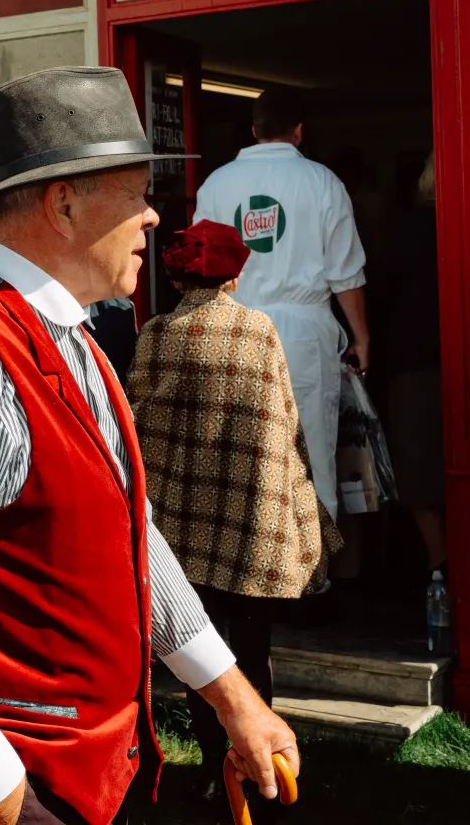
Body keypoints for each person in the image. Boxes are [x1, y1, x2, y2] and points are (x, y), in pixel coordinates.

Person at [0, 67, 297, 825]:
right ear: (64, 203)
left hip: (76, 777)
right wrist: (6, 800)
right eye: (138, 193)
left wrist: (231, 692)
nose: (153, 218)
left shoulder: (71, 332)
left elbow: (123, 531)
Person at [127, 220, 335, 800]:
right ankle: (261, 762)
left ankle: (216, 765)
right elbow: (283, 420)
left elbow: (138, 420)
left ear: (171, 277)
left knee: (203, 646)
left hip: (180, 521)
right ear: (236, 274)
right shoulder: (258, 329)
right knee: (252, 644)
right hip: (247, 516)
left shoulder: (157, 334)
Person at [193, 86, 368, 520]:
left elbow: (201, 269)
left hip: (236, 330)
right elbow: (344, 273)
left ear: (253, 131)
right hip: (306, 333)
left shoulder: (217, 184)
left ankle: (248, 564)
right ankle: (312, 571)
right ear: (300, 132)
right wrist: (362, 338)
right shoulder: (323, 182)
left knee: (243, 453)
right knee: (312, 451)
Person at [377, 151, 446, 573]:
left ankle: (439, 562)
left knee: (417, 468)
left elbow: (381, 296)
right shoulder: (467, 224)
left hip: (412, 362)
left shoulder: (405, 231)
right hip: (468, 359)